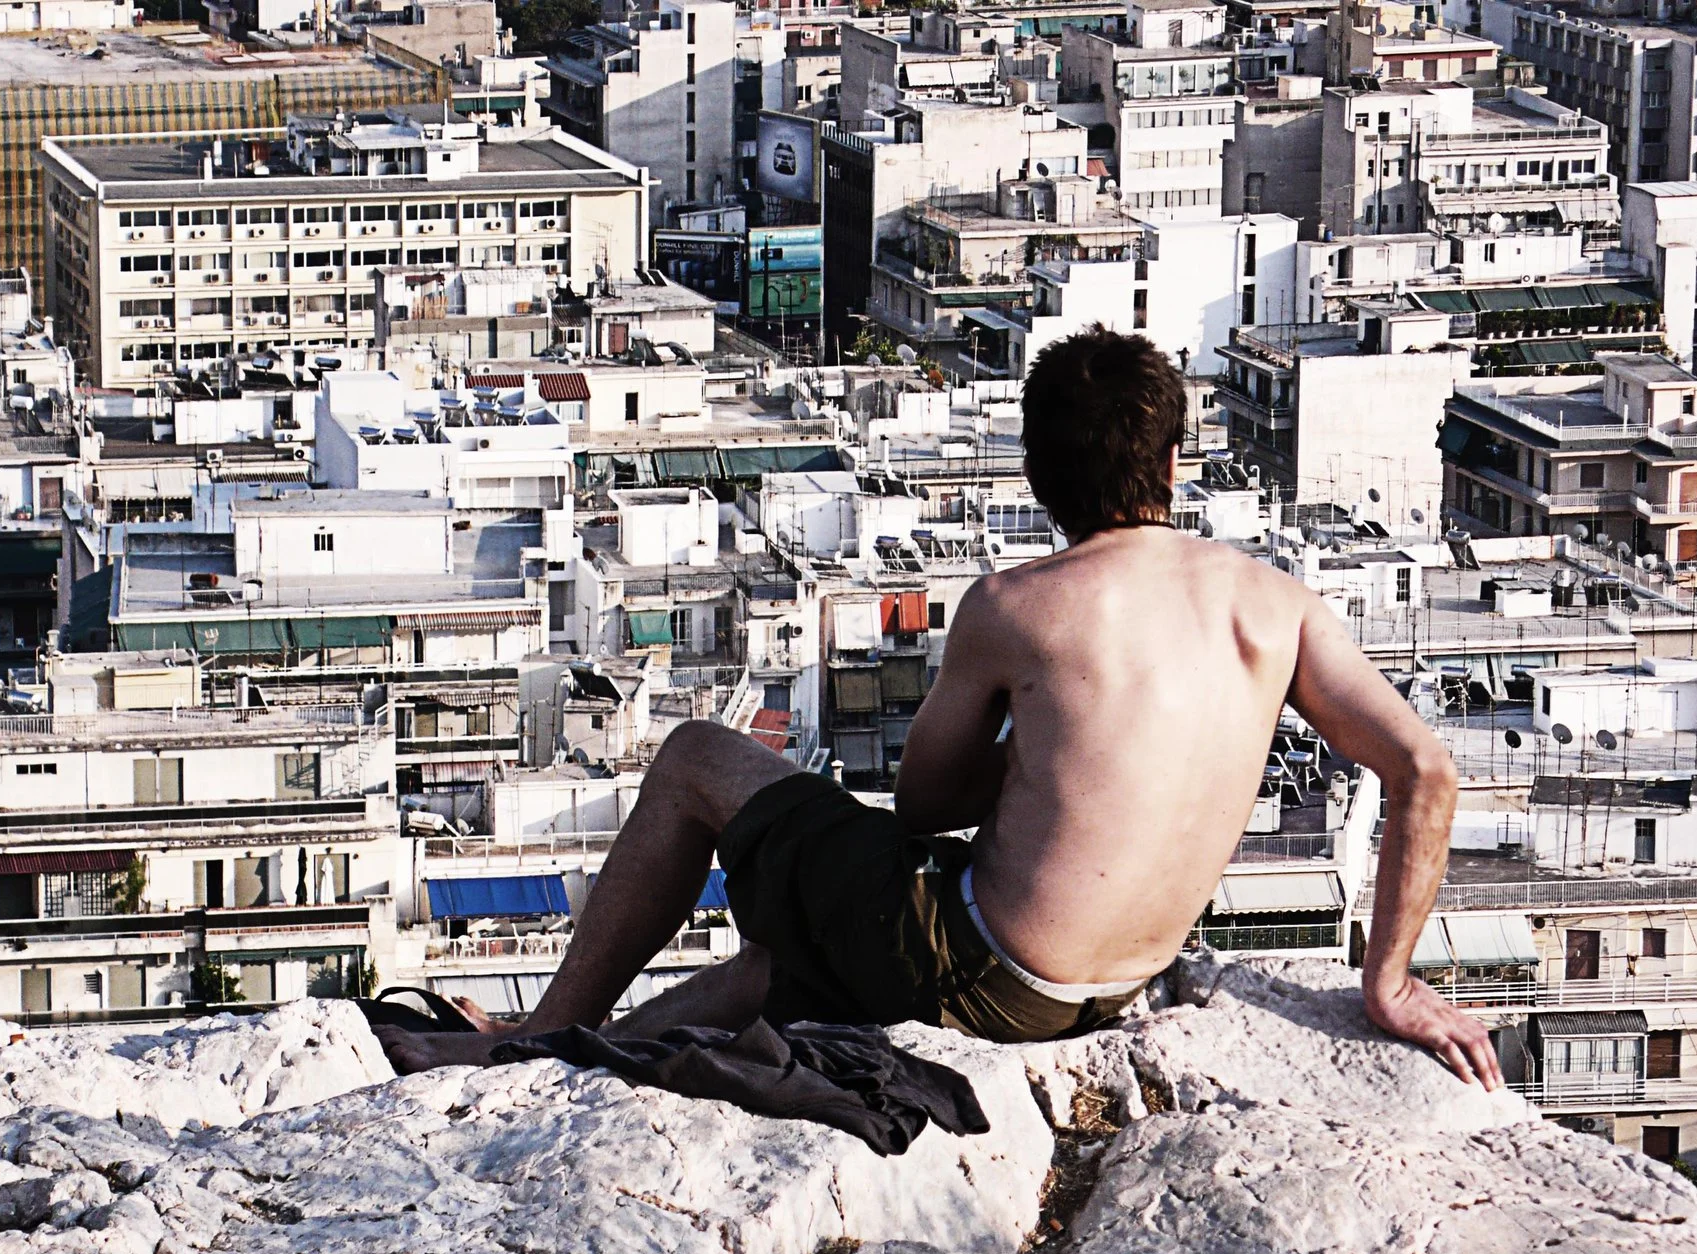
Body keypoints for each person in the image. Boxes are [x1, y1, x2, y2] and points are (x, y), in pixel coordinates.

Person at [381, 328, 1502, 1089]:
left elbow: (920, 806)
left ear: (1037, 474)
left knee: (692, 760)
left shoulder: (1019, 606)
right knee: (786, 966)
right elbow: (1425, 771)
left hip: (991, 971)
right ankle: (577, 1055)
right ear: (1174, 458)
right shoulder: (1276, 603)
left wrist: (1027, 756)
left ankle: (538, 1033)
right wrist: (1388, 983)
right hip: (1119, 986)